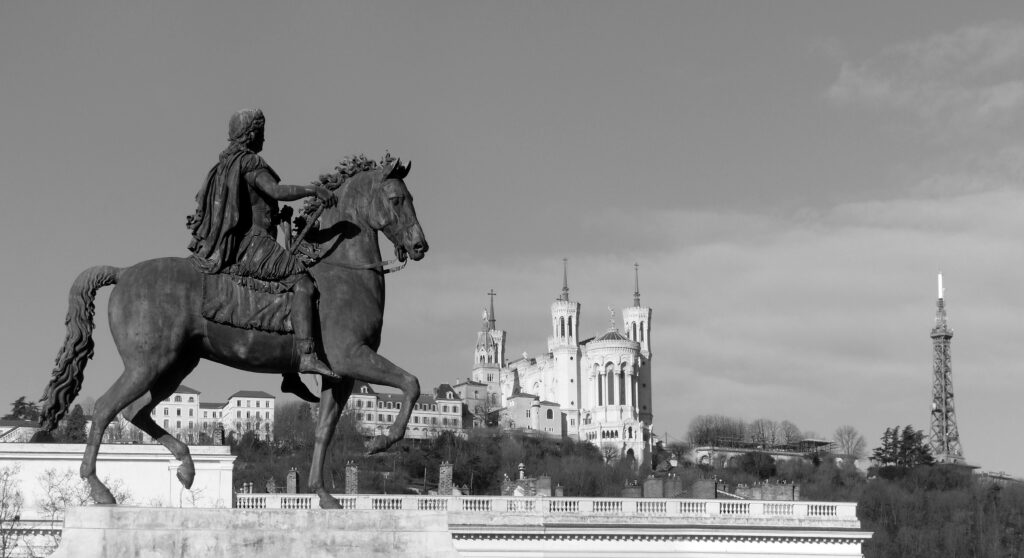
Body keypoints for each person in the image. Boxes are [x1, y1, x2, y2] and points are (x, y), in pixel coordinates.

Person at [187, 108, 334, 402]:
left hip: (241, 241)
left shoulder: (225, 164)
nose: (265, 136)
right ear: (252, 133)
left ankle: (288, 375)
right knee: (303, 283)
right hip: (253, 243)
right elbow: (275, 190)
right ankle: (305, 356)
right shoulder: (250, 161)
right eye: (262, 131)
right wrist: (313, 190)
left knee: (284, 288)